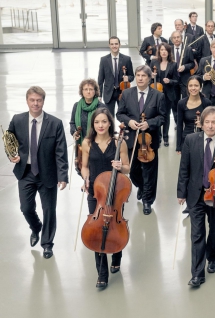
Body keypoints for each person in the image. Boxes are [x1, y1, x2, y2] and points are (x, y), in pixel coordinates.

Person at [177, 106, 215, 288]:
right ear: (201, 123)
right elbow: (184, 168)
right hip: (196, 193)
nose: (210, 126)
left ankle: (213, 257)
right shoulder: (190, 139)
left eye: (214, 122)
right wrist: (181, 193)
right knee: (196, 234)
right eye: (207, 122)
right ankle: (197, 274)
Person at [8, 86, 68, 259]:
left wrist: (62, 175)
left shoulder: (55, 123)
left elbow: (61, 152)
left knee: (49, 210)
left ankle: (47, 244)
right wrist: (12, 155)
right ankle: (35, 227)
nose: (35, 103)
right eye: (32, 100)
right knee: (26, 208)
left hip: (47, 174)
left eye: (39, 100)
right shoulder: (17, 120)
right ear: (27, 101)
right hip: (25, 172)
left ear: (43, 101)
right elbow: (9, 142)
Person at [80, 108, 130, 289]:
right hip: (95, 192)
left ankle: (117, 254)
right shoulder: (87, 142)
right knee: (96, 228)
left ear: (110, 123)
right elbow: (84, 166)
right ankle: (102, 273)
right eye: (96, 122)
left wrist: (120, 167)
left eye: (104, 121)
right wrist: (85, 178)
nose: (100, 125)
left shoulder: (119, 142)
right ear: (93, 125)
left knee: (115, 225)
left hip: (115, 192)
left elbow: (127, 167)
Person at [116, 65, 166, 215]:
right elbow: (120, 114)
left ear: (149, 78)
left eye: (144, 76)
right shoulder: (126, 93)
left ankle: (147, 201)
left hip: (149, 140)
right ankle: (143, 187)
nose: (140, 78)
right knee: (133, 170)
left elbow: (162, 117)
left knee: (150, 172)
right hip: (131, 138)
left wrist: (149, 123)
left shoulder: (158, 95)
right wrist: (129, 122)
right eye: (138, 75)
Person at [69, 79, 106, 175]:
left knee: (96, 170)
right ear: (82, 91)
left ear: (95, 91)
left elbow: (106, 126)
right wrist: (74, 132)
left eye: (91, 89)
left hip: (96, 144)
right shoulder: (76, 106)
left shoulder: (101, 106)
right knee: (82, 168)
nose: (88, 92)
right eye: (85, 89)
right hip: (81, 145)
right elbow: (72, 123)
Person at [151, 42, 180, 147]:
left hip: (168, 94)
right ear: (159, 51)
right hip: (156, 93)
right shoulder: (154, 62)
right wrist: (151, 75)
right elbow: (148, 77)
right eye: (161, 50)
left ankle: (166, 137)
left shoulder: (173, 64)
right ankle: (158, 137)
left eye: (165, 50)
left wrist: (170, 81)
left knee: (166, 116)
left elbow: (177, 80)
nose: (163, 52)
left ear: (169, 52)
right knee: (157, 115)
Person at [98, 36, 134, 116]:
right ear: (109, 45)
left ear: (119, 45)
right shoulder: (104, 60)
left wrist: (128, 78)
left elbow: (132, 76)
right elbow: (100, 79)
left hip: (122, 92)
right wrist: (99, 95)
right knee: (109, 117)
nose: (114, 46)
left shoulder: (126, 59)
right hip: (109, 93)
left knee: (124, 115)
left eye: (116, 44)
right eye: (112, 44)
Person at [176, 76, 212, 153]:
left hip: (203, 138)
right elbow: (179, 125)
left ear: (200, 87)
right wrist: (178, 146)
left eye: (196, 85)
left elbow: (211, 122)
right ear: (187, 87)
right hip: (187, 138)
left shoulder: (207, 103)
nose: (193, 88)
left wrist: (202, 126)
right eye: (190, 85)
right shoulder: (181, 103)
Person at [170, 30, 196, 126]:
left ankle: (186, 121)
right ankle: (178, 122)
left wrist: (185, 67)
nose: (176, 39)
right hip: (173, 80)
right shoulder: (169, 50)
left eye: (178, 37)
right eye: (174, 38)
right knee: (174, 102)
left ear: (181, 38)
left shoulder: (187, 49)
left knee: (186, 101)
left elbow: (192, 64)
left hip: (185, 80)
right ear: (172, 40)